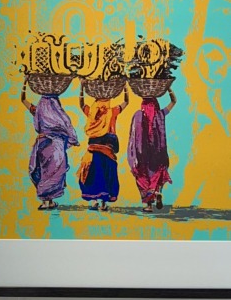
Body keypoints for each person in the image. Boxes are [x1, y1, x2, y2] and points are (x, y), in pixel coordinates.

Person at [20, 74, 79, 211]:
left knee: (43, 171)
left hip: (42, 143)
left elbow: (23, 99)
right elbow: (68, 126)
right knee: (54, 172)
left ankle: (46, 201)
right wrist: (72, 139)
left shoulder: (39, 110)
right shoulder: (59, 114)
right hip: (56, 146)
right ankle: (49, 200)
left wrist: (25, 82)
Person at [76, 78, 129, 211]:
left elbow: (81, 104)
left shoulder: (91, 113)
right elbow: (126, 102)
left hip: (93, 152)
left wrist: (82, 87)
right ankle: (104, 203)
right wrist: (125, 87)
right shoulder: (112, 112)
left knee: (93, 175)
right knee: (106, 175)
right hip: (107, 151)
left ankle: (94, 202)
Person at [127, 87, 177, 213]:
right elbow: (174, 101)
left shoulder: (139, 116)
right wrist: (168, 89)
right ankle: (158, 192)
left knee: (143, 176)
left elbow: (133, 136)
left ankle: (149, 205)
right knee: (157, 174)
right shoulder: (160, 114)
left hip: (143, 153)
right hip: (158, 152)